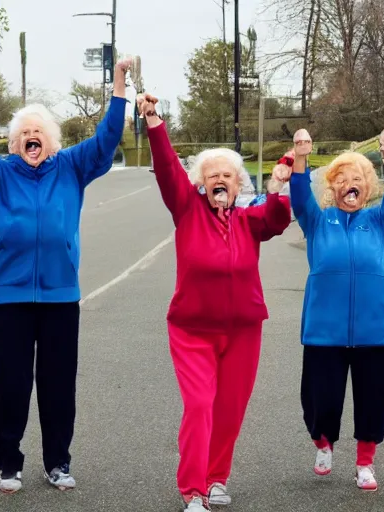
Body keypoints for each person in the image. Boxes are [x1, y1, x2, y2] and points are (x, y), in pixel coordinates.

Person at [0, 54, 131, 493]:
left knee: (57, 387)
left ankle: (58, 462)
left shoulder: (71, 166)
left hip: (59, 296)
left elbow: (107, 136)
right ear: (13, 144)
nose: (32, 138)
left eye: (39, 133)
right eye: (24, 134)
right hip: (8, 296)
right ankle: (9, 463)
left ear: (51, 142)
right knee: (10, 386)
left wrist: (120, 84)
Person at [139, 94, 292, 511]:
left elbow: (277, 220)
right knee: (201, 405)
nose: (221, 179)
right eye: (212, 175)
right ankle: (192, 489)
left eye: (228, 174)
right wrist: (154, 121)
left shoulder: (248, 220)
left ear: (239, 184)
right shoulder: (186, 209)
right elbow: (169, 169)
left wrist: (278, 186)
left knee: (229, 409)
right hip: (192, 328)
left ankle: (216, 478)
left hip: (244, 329)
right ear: (201, 184)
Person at [286, 125, 384, 492]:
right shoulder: (318, 220)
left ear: (367, 187)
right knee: (320, 398)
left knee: (373, 399)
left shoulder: (381, 221)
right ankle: (323, 444)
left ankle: (365, 463)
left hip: (375, 331)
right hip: (326, 331)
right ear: (333, 187)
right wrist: (301, 155)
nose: (350, 184)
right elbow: (298, 195)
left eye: (358, 179)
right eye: (342, 179)